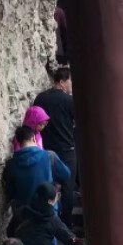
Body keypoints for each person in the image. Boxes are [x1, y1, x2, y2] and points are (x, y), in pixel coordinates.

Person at [32, 67, 77, 226]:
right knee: (67, 189)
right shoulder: (69, 101)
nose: (72, 84)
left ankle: (49, 220)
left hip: (46, 150)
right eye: (70, 80)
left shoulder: (40, 98)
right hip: (66, 151)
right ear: (62, 81)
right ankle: (66, 224)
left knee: (49, 187)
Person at [2, 126, 71, 212]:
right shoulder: (49, 156)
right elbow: (66, 175)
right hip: (47, 213)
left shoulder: (11, 164)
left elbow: (10, 191)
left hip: (23, 215)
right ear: (34, 138)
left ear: (19, 143)